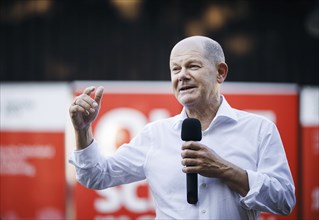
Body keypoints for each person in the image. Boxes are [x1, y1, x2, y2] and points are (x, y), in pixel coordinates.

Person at [69, 36, 296, 219]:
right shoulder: (155, 135)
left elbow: (284, 200)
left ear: (220, 72)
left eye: (193, 66)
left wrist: (224, 170)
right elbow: (96, 176)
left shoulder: (258, 130)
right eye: (175, 69)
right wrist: (82, 130)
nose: (183, 76)